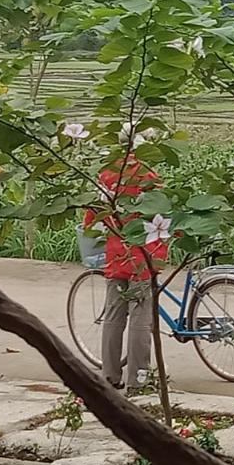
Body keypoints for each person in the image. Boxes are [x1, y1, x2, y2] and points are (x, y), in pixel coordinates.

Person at [83, 154, 168, 393]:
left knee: (113, 317)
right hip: (143, 257)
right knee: (141, 320)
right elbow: (164, 211)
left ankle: (109, 376)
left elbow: (92, 216)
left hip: (116, 255)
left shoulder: (107, 174)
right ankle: (138, 380)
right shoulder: (147, 175)